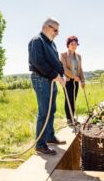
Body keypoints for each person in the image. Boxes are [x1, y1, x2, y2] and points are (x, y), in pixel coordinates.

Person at [28, 17, 67, 156]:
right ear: (46, 27)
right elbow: (38, 62)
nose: (57, 33)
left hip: (50, 79)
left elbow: (57, 62)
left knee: (52, 109)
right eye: (55, 30)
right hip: (41, 79)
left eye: (58, 30)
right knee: (44, 111)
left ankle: (50, 137)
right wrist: (55, 76)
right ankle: (40, 144)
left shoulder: (52, 44)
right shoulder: (37, 41)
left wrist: (62, 74)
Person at [60, 36, 85, 126]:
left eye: (75, 44)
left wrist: (82, 80)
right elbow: (64, 69)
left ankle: (72, 117)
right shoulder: (63, 55)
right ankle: (69, 119)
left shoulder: (79, 56)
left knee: (73, 99)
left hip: (76, 81)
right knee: (68, 99)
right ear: (68, 45)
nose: (74, 46)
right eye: (72, 44)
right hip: (67, 81)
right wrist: (74, 76)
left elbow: (80, 69)